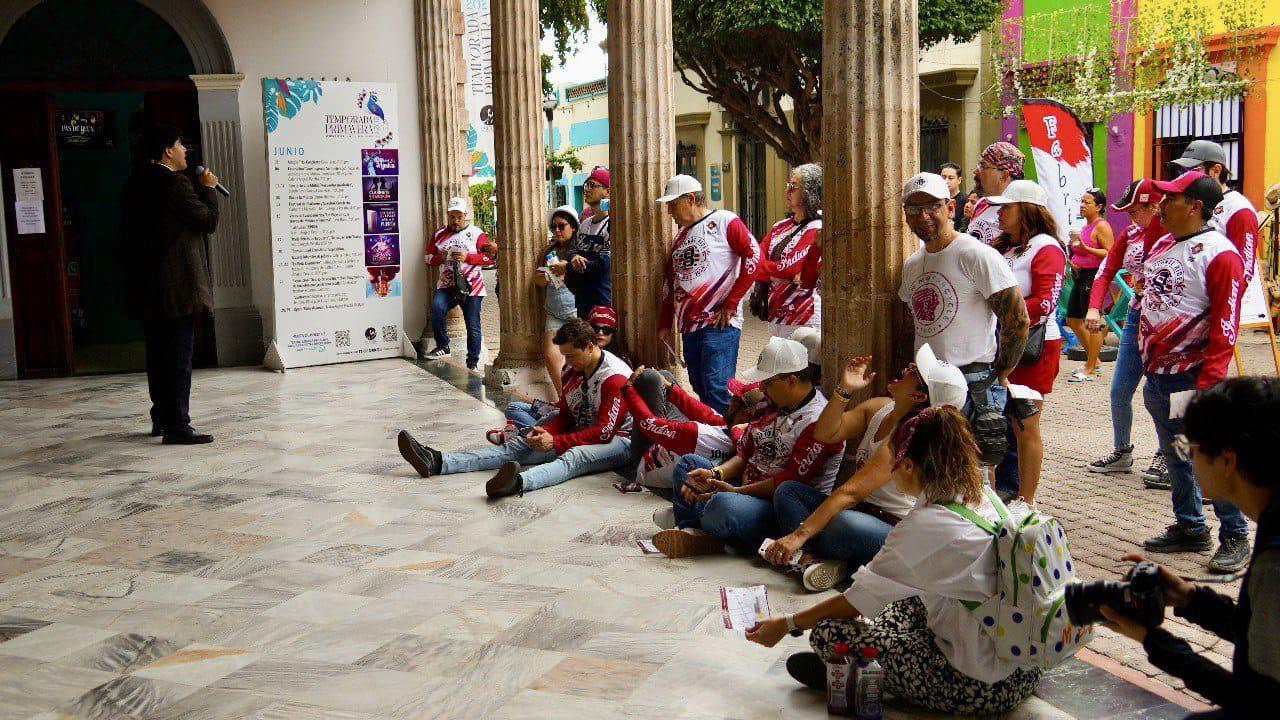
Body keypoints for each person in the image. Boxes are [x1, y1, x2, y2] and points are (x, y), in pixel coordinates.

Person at [745, 407, 1042, 716]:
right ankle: (882, 661)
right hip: (1025, 665)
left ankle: (867, 676)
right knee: (898, 595)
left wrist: (787, 624)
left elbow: (854, 602)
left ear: (909, 466)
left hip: (978, 687)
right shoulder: (984, 495)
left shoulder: (924, 525)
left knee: (830, 633)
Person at [1099, 377, 1280, 719]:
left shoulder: (1276, 558)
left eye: (1190, 448)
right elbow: (1259, 633)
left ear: (1227, 460)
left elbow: (1252, 702)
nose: (1188, 459)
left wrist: (1154, 642)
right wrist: (1188, 597)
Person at [766, 345, 969, 592]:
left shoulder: (908, 437)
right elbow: (825, 433)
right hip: (857, 512)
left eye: (913, 371)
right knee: (789, 492)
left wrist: (798, 535)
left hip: (885, 527)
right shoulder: (880, 407)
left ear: (918, 397)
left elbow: (851, 493)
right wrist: (845, 390)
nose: (905, 369)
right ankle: (822, 562)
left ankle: (828, 560)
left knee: (843, 522)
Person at [1138, 171, 1250, 573]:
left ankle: (1235, 533)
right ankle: (1190, 525)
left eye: (1170, 199)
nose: (1161, 206)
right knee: (1177, 456)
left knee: (1206, 457)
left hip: (1193, 378)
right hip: (1159, 377)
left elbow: (1225, 325)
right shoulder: (1168, 241)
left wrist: (1208, 385)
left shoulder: (1220, 254)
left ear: (1196, 206)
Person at [650, 337, 845, 558]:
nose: (761, 387)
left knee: (723, 505)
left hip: (777, 508)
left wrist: (734, 492)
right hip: (742, 489)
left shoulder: (817, 420)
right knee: (688, 466)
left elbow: (787, 484)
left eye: (768, 382)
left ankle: (704, 525)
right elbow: (744, 454)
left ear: (791, 381)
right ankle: (695, 530)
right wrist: (715, 474)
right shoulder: (768, 402)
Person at [397, 318, 632, 499]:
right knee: (521, 446)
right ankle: (439, 461)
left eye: (571, 355)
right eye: (564, 356)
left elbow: (604, 432)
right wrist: (548, 432)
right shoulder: (570, 369)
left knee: (573, 457)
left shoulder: (613, 378)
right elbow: (567, 413)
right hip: (584, 429)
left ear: (590, 347)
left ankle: (517, 483)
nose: (567, 362)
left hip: (618, 440)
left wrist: (557, 442)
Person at [898, 172, 1029, 470]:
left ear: (950, 208)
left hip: (972, 383)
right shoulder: (913, 264)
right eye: (914, 209)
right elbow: (913, 324)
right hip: (926, 383)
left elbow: (1017, 319)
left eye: (932, 206)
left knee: (975, 474)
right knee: (932, 470)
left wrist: (1001, 372)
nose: (923, 216)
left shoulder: (976, 255)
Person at [121, 125, 221, 445]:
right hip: (177, 286)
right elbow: (208, 221)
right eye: (180, 145)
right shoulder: (174, 184)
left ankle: (161, 417)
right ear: (167, 150)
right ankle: (178, 424)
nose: (185, 151)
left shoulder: (135, 182)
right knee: (178, 355)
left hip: (148, 285)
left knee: (157, 354)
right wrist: (208, 188)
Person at [986, 180, 1068, 502]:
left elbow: (1046, 303)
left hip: (1034, 349)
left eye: (1007, 206)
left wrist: (1001, 309)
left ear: (1026, 211)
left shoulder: (1046, 247)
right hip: (1002, 343)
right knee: (1005, 424)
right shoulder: (1006, 246)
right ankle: (1008, 490)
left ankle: (1027, 500)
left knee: (1025, 424)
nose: (1000, 212)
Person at [1086, 179, 1169, 484]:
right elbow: (1107, 269)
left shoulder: (1175, 234)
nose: (1132, 217)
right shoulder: (1131, 233)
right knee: (1120, 389)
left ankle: (1168, 453)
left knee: (1163, 393)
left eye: (1136, 210)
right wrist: (1094, 307)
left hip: (1167, 322)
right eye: (1129, 212)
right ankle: (1122, 450)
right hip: (1137, 314)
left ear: (1154, 205)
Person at [656, 174, 760, 416]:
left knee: (717, 388)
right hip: (689, 328)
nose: (669, 210)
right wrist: (665, 322)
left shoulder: (725, 220)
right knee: (700, 387)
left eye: (673, 203)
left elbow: (753, 256)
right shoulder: (679, 238)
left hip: (718, 324)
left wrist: (732, 302)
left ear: (690, 199)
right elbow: (670, 284)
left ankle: (731, 440)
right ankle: (716, 437)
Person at [625, 369, 766, 496]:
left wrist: (628, 390)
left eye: (735, 398)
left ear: (743, 413)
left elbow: (648, 424)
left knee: (649, 378)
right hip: (674, 445)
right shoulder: (744, 434)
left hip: (644, 461)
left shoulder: (702, 436)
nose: (730, 399)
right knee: (664, 377)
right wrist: (670, 388)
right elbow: (705, 414)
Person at [493, 305, 618, 438]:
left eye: (606, 330)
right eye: (596, 329)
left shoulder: (612, 367)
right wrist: (554, 405)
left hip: (582, 419)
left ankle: (522, 435)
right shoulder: (576, 360)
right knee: (514, 407)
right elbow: (567, 396)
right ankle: (530, 433)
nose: (600, 333)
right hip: (565, 409)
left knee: (553, 416)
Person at [1170, 140, 1259, 291]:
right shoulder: (1189, 203)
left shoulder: (1238, 209)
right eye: (1182, 171)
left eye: (1193, 170)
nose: (1185, 177)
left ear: (1216, 171)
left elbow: (1243, 272)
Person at [424, 197, 495, 370]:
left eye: (459, 216)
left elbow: (489, 258)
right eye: (452, 216)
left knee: (472, 325)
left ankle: (472, 362)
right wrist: (438, 258)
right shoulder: (439, 234)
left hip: (472, 286)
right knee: (436, 308)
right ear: (447, 215)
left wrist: (468, 257)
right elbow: (427, 258)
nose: (455, 221)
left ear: (465, 215)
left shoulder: (477, 233)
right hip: (447, 285)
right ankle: (443, 345)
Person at [756, 164, 823, 337]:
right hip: (776, 314)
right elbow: (755, 262)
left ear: (809, 191)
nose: (787, 191)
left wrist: (771, 270)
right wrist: (779, 272)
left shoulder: (816, 228)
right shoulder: (779, 227)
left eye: (793, 187)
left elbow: (793, 269)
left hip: (804, 316)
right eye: (787, 186)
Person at [1065, 188, 1114, 382]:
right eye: (1082, 202)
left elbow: (1110, 253)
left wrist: (1085, 248)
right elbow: (1080, 252)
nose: (1083, 205)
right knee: (1072, 319)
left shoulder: (1102, 226)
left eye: (1088, 202)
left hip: (1093, 277)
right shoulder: (1084, 226)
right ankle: (1095, 359)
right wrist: (1071, 258)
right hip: (1079, 275)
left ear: (1099, 206)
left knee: (1092, 322)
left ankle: (1091, 367)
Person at [534, 205, 581, 396]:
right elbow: (536, 280)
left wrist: (568, 267)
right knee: (550, 354)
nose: (557, 231)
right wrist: (545, 276)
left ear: (573, 227)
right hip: (554, 309)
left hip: (576, 308)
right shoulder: (549, 251)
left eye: (562, 226)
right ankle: (564, 397)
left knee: (578, 354)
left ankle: (581, 395)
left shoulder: (580, 249)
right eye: (554, 227)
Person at [566, 166, 612, 317]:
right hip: (582, 300)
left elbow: (604, 264)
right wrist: (574, 259)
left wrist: (576, 265)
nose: (586, 189)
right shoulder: (585, 223)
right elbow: (572, 251)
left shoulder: (612, 224)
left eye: (592, 185)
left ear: (608, 191)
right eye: (586, 185)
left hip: (602, 301)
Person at [968, 142, 1026, 246]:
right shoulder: (982, 203)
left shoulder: (1020, 212)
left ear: (1004, 175)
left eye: (983, 166)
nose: (976, 171)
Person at [940, 161, 966, 228]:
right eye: (943, 177)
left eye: (950, 178)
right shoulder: (937, 199)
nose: (946, 181)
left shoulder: (966, 201)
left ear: (959, 180)